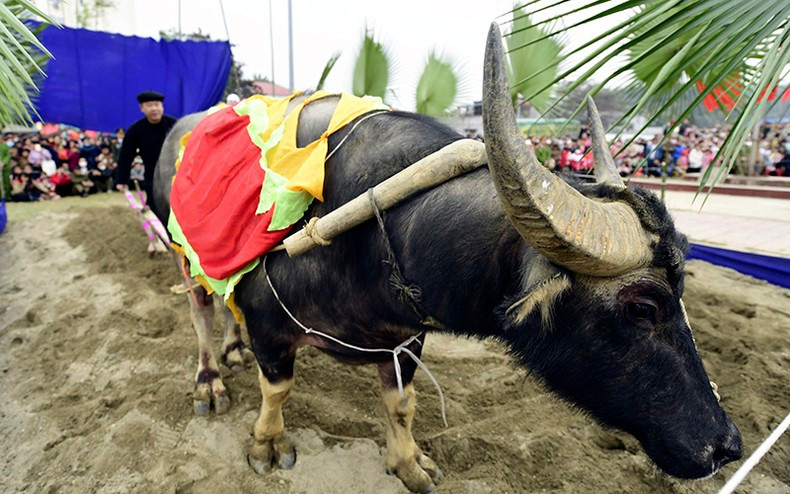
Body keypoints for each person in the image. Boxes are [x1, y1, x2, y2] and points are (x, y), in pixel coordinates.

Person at [115, 90, 177, 214]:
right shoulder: (135, 130)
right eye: (149, 105)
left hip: (176, 175)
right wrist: (121, 180)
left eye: (157, 104)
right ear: (141, 108)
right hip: (153, 178)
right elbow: (125, 156)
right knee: (157, 210)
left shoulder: (174, 125)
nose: (154, 109)